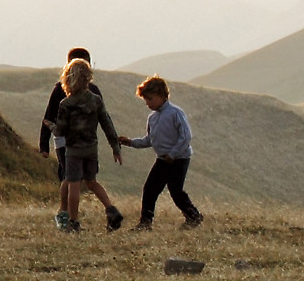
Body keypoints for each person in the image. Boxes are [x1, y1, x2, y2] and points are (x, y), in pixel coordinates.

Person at [49, 59, 125, 232]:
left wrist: (51, 126)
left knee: (73, 184)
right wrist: (115, 147)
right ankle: (111, 209)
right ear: (88, 79)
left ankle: (73, 222)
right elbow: (107, 124)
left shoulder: (66, 104)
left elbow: (60, 130)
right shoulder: (95, 100)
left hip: (73, 150)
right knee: (92, 182)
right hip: (91, 149)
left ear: (68, 79)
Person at [122, 76, 202, 230]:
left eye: (150, 99)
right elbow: (149, 140)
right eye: (146, 100)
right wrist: (131, 142)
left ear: (162, 95)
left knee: (176, 190)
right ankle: (145, 223)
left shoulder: (175, 113)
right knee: (150, 189)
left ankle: (194, 216)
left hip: (179, 159)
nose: (148, 103)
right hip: (163, 159)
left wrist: (173, 154)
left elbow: (186, 136)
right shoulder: (152, 118)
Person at [40, 46, 101, 228]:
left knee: (84, 178)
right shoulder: (60, 90)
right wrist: (43, 145)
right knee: (69, 176)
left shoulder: (94, 91)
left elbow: (99, 117)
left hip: (85, 142)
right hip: (64, 142)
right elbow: (48, 117)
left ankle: (68, 213)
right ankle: (65, 214)